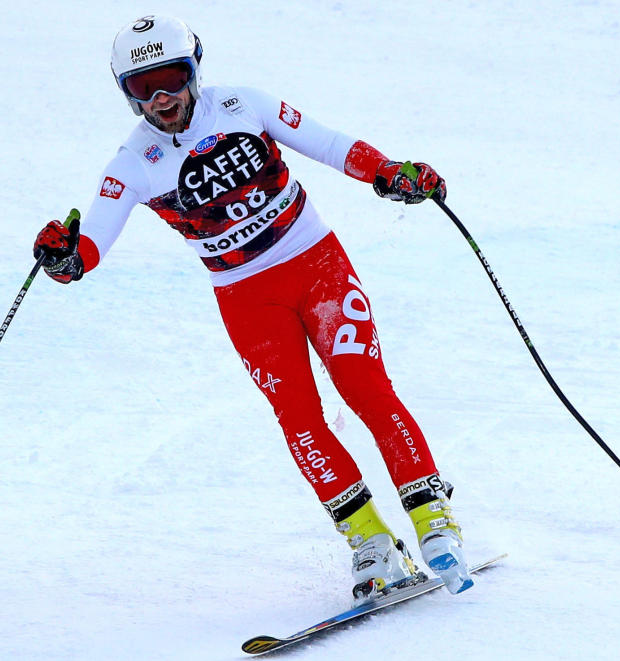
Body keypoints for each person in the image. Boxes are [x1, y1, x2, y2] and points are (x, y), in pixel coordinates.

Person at [33, 15, 472, 598]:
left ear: (195, 70)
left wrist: (387, 172)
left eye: (171, 77)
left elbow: (332, 145)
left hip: (317, 266)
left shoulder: (243, 104)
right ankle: (369, 539)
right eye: (143, 88)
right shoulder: (131, 163)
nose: (162, 98)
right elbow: (88, 249)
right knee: (298, 418)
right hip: (246, 299)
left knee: (366, 388)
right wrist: (64, 256)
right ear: (127, 94)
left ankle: (433, 520)